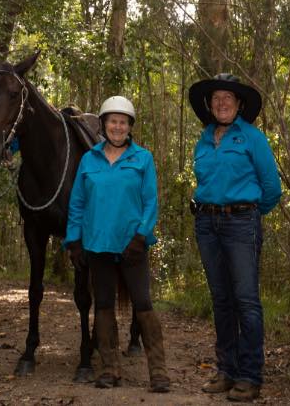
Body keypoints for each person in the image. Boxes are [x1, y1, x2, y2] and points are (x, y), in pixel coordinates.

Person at [63, 96, 170, 393]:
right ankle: (110, 369)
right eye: (113, 121)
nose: (118, 126)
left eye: (123, 122)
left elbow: (150, 202)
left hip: (132, 246)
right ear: (104, 125)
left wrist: (141, 235)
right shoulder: (89, 160)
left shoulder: (142, 159)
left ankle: (159, 372)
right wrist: (74, 242)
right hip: (97, 245)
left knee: (144, 304)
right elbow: (78, 203)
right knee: (105, 305)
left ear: (130, 126)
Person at [187, 73, 282, 403]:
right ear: (209, 105)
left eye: (228, 97)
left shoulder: (252, 138)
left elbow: (272, 189)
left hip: (242, 224)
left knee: (245, 300)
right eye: (216, 98)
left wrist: (248, 214)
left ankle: (250, 375)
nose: (222, 102)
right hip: (206, 225)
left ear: (239, 104)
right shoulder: (203, 140)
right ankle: (226, 370)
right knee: (221, 300)